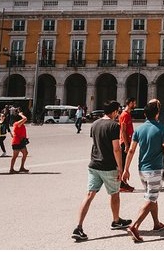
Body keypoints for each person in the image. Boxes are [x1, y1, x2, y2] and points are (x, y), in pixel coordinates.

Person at [71, 101, 131, 241]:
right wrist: (120, 168)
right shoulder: (113, 126)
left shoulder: (95, 124)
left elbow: (96, 143)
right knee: (115, 194)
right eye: (118, 110)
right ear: (115, 111)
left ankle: (78, 227)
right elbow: (116, 149)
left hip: (94, 165)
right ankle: (116, 221)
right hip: (108, 166)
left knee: (89, 195)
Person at [122, 101, 164, 243]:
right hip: (155, 169)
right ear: (157, 114)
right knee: (150, 198)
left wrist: (126, 169)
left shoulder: (139, 129)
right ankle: (135, 226)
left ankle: (156, 223)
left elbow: (131, 150)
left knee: (151, 195)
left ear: (145, 114)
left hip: (142, 169)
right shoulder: (161, 129)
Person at [118, 98, 137, 192]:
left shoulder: (128, 114)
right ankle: (121, 185)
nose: (135, 105)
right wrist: (126, 145)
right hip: (124, 143)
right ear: (129, 103)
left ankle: (123, 183)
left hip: (127, 141)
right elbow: (123, 131)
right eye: (134, 103)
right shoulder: (125, 115)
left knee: (125, 163)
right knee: (123, 164)